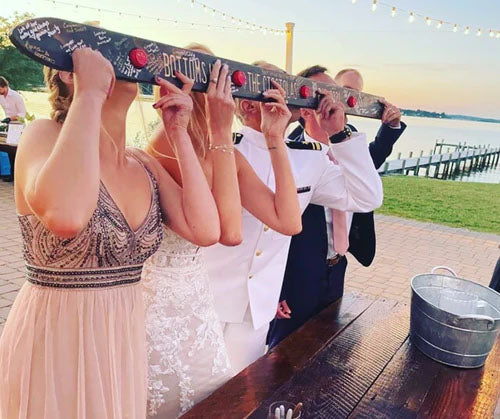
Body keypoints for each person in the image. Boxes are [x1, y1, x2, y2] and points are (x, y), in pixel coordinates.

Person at [0, 48, 221, 419]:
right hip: (59, 337)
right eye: (108, 58)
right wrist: (89, 93)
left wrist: (178, 132)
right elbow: (66, 216)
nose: (126, 64)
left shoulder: (141, 161)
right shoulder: (43, 136)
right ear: (69, 74)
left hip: (123, 340)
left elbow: (205, 229)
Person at [141, 45, 302, 418]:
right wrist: (219, 129)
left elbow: (289, 221)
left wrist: (275, 138)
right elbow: (229, 231)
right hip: (166, 302)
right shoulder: (168, 145)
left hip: (198, 297)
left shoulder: (220, 147)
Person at [202, 60, 383, 376]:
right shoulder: (220, 150)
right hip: (208, 301)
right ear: (247, 102)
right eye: (275, 89)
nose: (288, 98)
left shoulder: (307, 160)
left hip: (257, 313)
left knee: (239, 394)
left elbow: (366, 198)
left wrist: (339, 134)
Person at [268, 65, 406, 349]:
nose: (336, 102)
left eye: (338, 95)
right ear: (306, 108)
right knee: (286, 348)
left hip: (335, 265)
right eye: (324, 96)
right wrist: (273, 288)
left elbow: (369, 170)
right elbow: (268, 229)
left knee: (327, 342)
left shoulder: (348, 140)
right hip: (297, 273)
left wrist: (388, 128)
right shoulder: (287, 151)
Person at [0, 76, 26, 182]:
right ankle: (11, 174)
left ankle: (17, 176)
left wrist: (10, 118)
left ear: (4, 86)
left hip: (18, 125)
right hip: (9, 125)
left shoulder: (16, 96)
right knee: (9, 150)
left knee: (15, 151)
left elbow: (22, 114)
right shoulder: (1, 96)